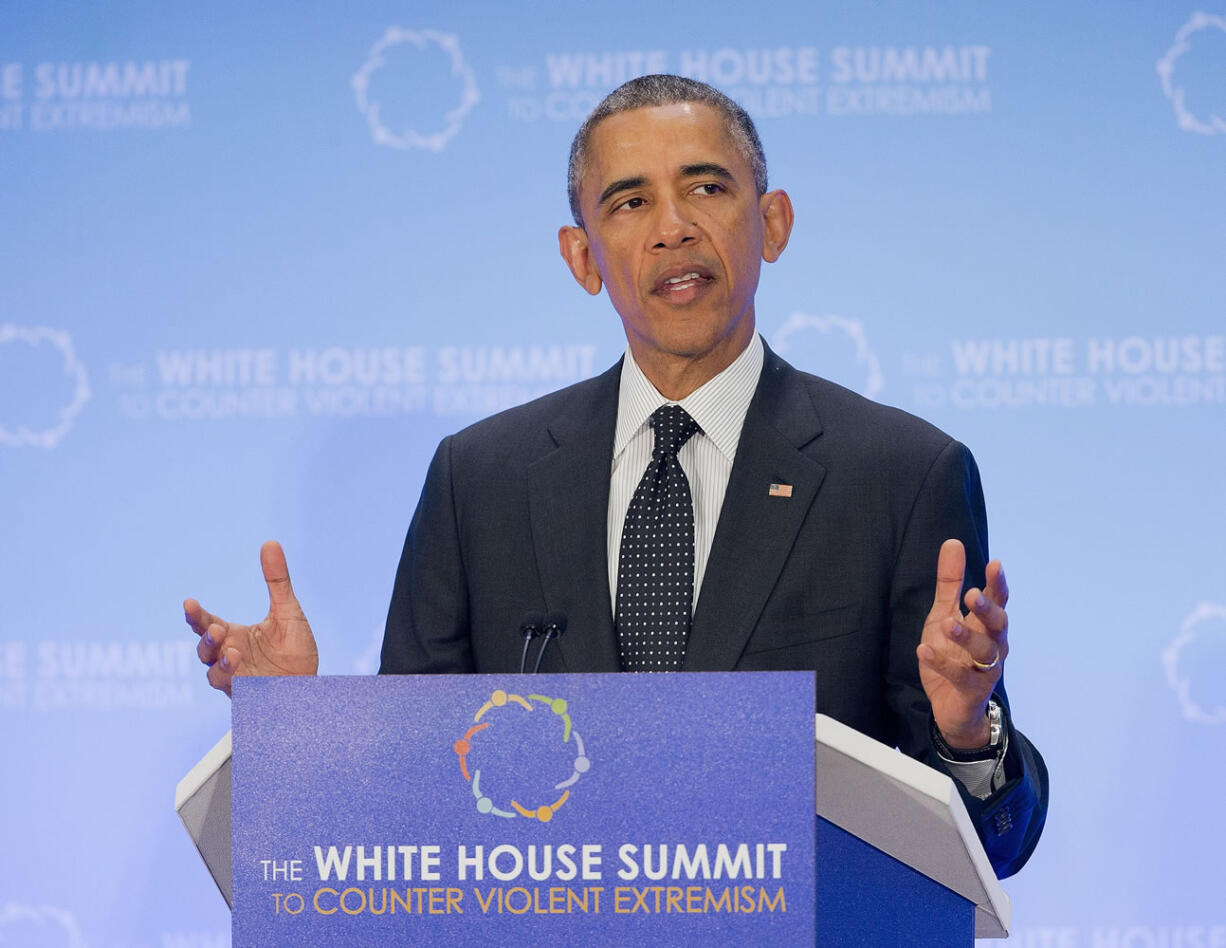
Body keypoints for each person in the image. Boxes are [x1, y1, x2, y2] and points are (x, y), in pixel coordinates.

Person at [187, 75, 1047, 877]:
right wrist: (292, 723)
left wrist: (966, 732)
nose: (673, 225)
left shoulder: (899, 475)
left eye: (707, 188)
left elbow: (993, 848)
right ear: (583, 256)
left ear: (773, 222)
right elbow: (411, 800)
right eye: (630, 201)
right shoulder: (480, 479)